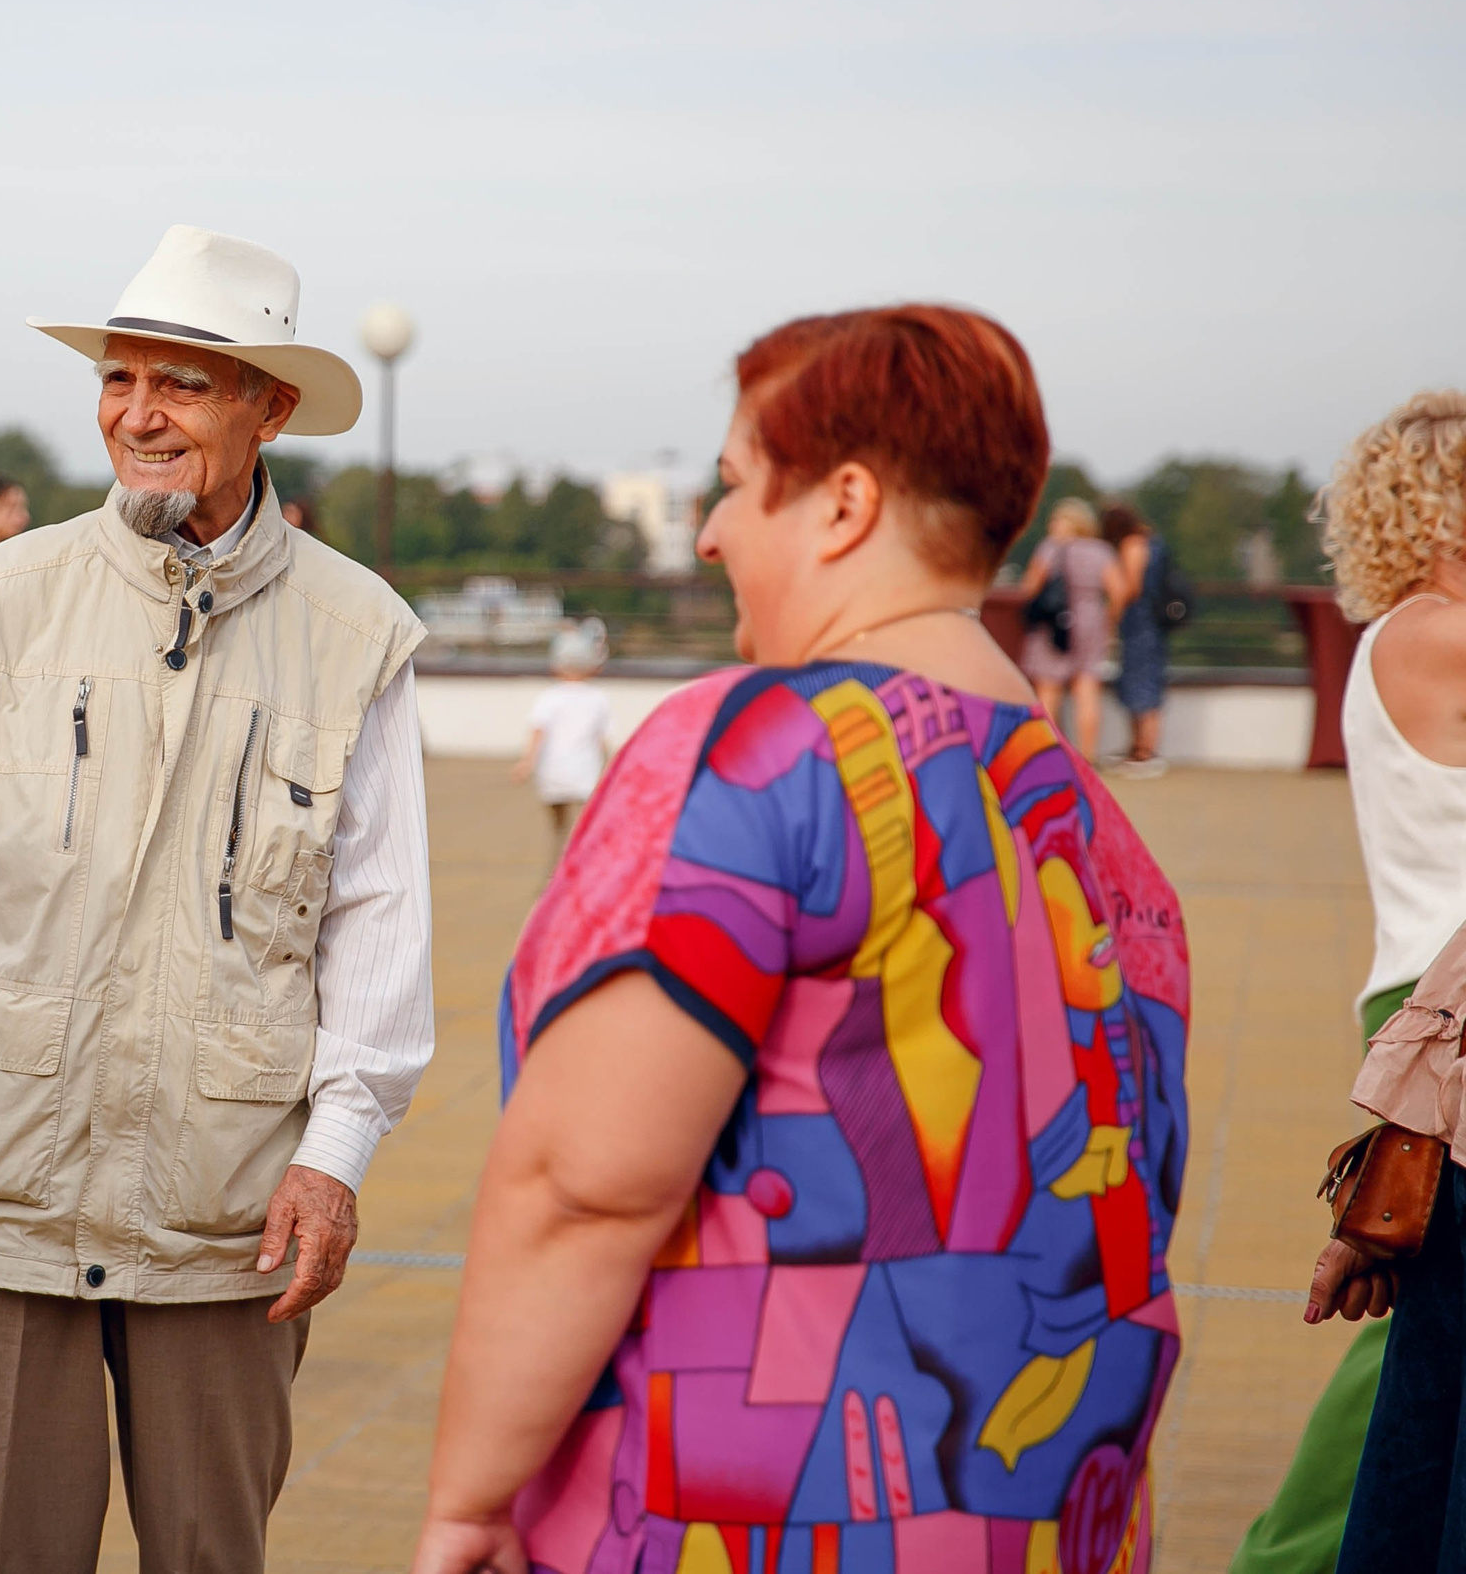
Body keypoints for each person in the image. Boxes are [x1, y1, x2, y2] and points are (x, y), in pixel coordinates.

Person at [412, 304, 1191, 1574]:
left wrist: (468, 1492)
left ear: (840, 506)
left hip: (743, 1511)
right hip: (1048, 1519)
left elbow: (583, 1181)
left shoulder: (758, 750)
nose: (710, 530)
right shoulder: (1096, 827)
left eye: (729, 486)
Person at [0, 224, 437, 1573]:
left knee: (212, 1554)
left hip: (230, 1208)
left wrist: (337, 1153)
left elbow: (380, 919)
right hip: (5, 1181)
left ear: (269, 407)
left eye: (183, 383)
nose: (138, 415)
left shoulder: (359, 633)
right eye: (119, 379)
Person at [1235, 388, 1466, 1574]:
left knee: (1421, 1312)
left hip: (1424, 1000)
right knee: (1413, 1326)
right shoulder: (1436, 629)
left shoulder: (1400, 634)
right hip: (1447, 1014)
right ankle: (1288, 1554)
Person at [1014, 496, 1124, 760]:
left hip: (1054, 623)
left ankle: (1050, 754)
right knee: (1087, 687)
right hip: (1090, 620)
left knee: (1049, 688)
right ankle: (1088, 755)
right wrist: (1108, 619)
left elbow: (1029, 588)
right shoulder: (1101, 551)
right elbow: (1119, 590)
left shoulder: (1049, 549)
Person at [515, 618, 616, 847]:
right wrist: (608, 768)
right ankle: (580, 842)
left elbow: (538, 730)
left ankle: (562, 837)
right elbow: (603, 739)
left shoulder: (549, 697)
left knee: (557, 807)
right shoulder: (598, 698)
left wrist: (527, 762)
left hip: (552, 767)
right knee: (586, 810)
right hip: (585, 768)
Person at [1102, 501, 1174, 777]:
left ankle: (1145, 751)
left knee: (1142, 685)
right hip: (1150, 625)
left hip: (1141, 624)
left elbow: (1131, 586)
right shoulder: (1153, 541)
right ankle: (1139, 748)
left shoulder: (1133, 544)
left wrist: (1112, 613)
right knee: (1143, 683)